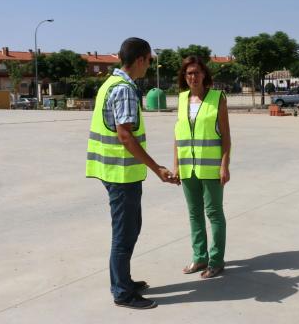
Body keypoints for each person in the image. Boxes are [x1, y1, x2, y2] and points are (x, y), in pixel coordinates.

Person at [86, 37, 176, 309]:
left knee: (130, 228)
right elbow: (125, 136)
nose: (149, 65)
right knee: (124, 234)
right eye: (149, 60)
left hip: (112, 171)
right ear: (140, 60)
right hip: (121, 174)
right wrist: (157, 167)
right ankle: (122, 292)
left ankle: (123, 280)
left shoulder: (109, 84)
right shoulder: (124, 89)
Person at [173, 56, 231, 279]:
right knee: (194, 214)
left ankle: (216, 261)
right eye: (189, 73)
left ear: (204, 74)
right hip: (188, 168)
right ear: (184, 77)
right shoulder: (181, 100)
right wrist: (176, 165)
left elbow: (226, 136)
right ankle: (199, 258)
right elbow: (178, 136)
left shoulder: (218, 98)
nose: (193, 77)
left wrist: (224, 165)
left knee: (214, 214)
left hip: (211, 167)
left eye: (197, 72)